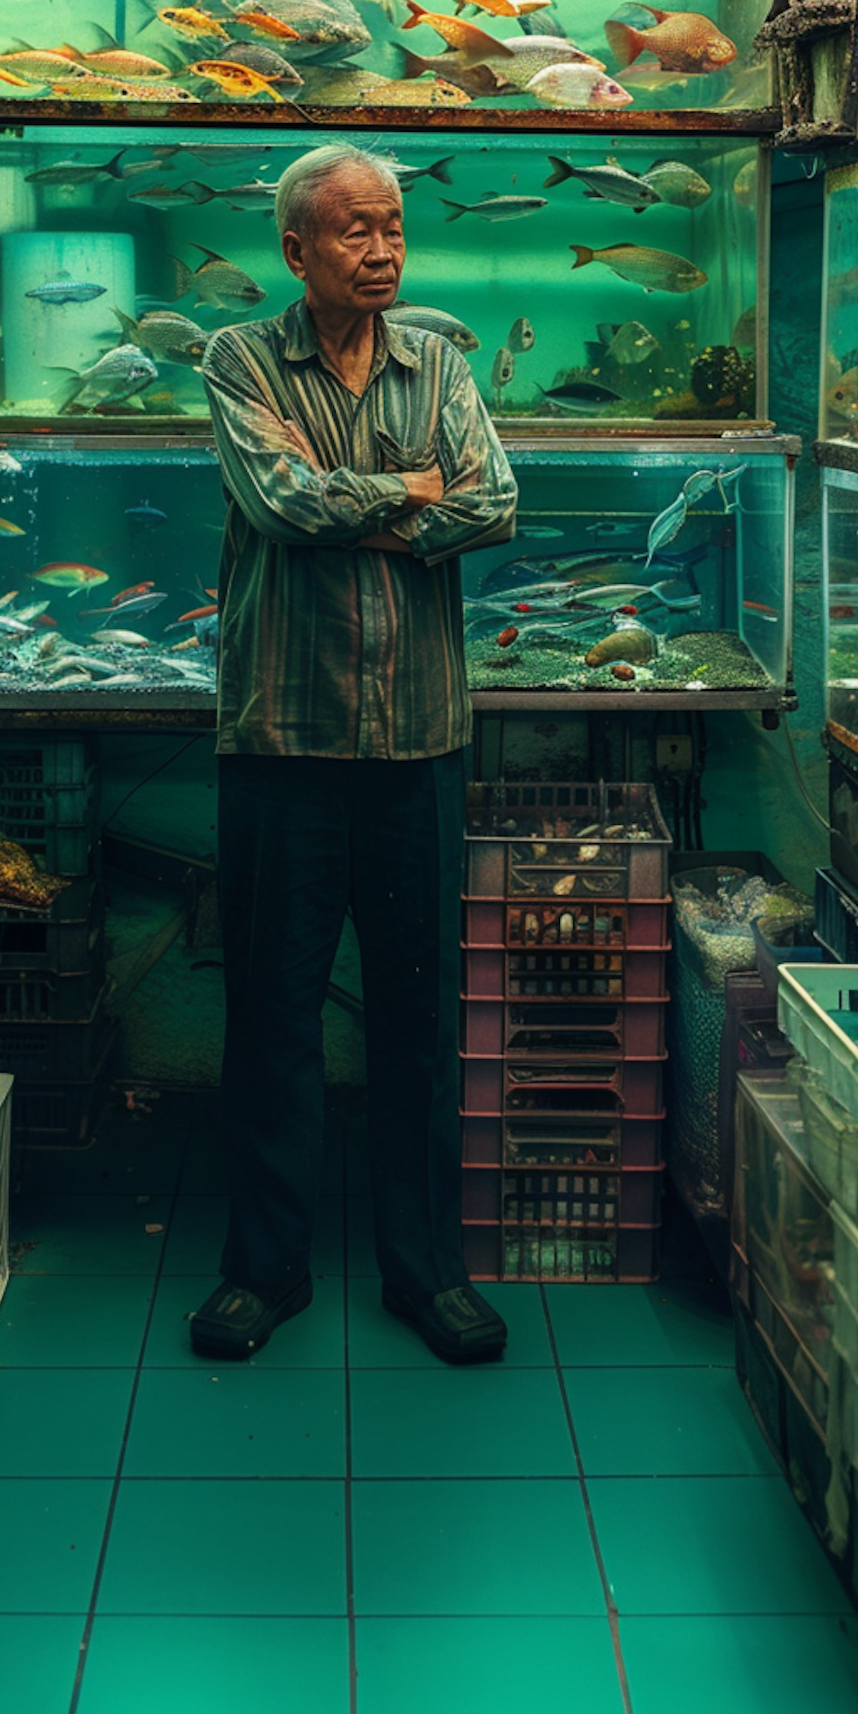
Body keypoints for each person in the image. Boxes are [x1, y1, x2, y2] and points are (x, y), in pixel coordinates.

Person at [192, 143, 518, 1366]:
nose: (380, 250)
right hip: (284, 734)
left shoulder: (440, 361)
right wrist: (407, 499)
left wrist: (361, 501)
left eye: (392, 229)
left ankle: (426, 1272)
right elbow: (277, 501)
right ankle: (263, 1273)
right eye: (353, 232)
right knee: (272, 1013)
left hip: (421, 738)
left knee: (417, 1019)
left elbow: (495, 503)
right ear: (296, 251)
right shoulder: (239, 357)